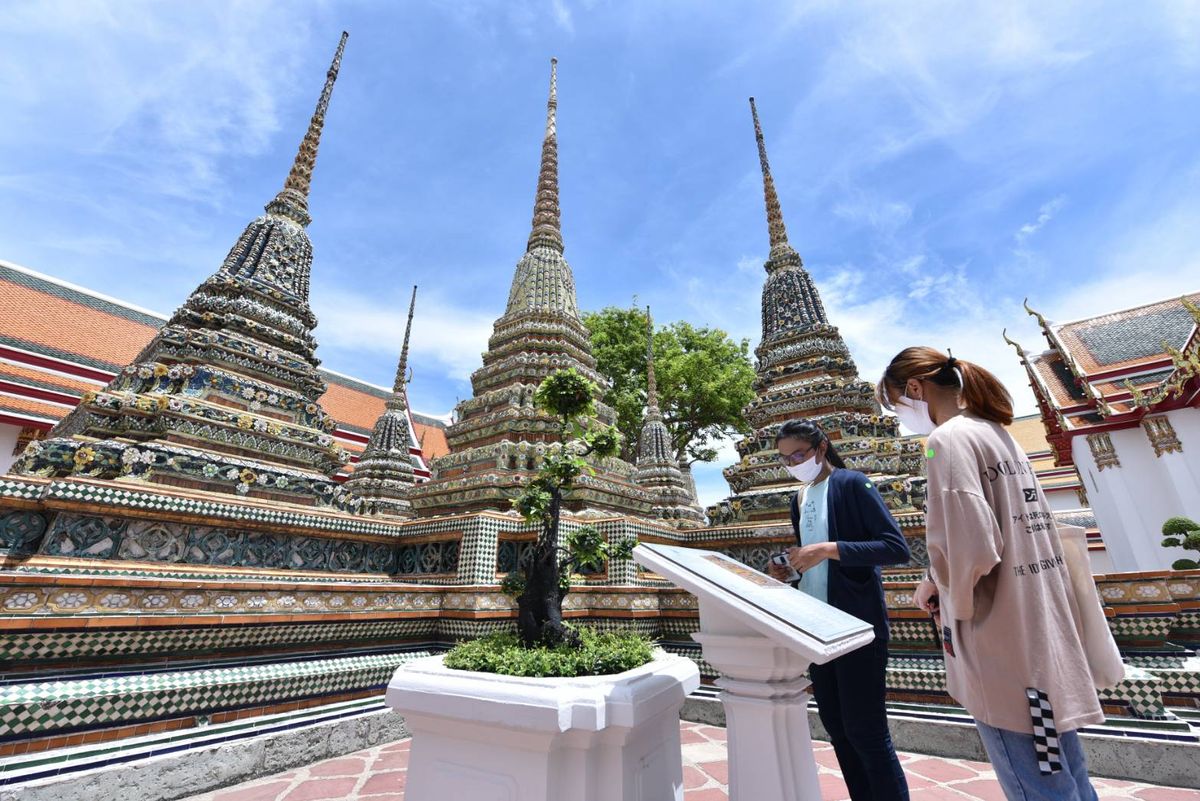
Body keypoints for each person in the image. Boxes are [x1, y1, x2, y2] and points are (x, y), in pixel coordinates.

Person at [876, 346, 1103, 801]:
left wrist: (946, 598)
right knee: (1064, 767)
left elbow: (971, 546)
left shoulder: (947, 441)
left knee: (1034, 780)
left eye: (896, 404)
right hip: (1043, 622)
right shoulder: (999, 434)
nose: (900, 417)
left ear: (915, 389)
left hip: (1001, 634)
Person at [766, 419, 911, 801]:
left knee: (867, 731)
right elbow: (809, 559)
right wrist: (788, 567)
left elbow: (895, 547)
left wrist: (829, 549)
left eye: (799, 453)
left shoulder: (852, 484)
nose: (793, 462)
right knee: (838, 728)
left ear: (822, 447)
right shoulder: (797, 499)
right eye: (785, 458)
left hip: (856, 626)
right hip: (817, 627)